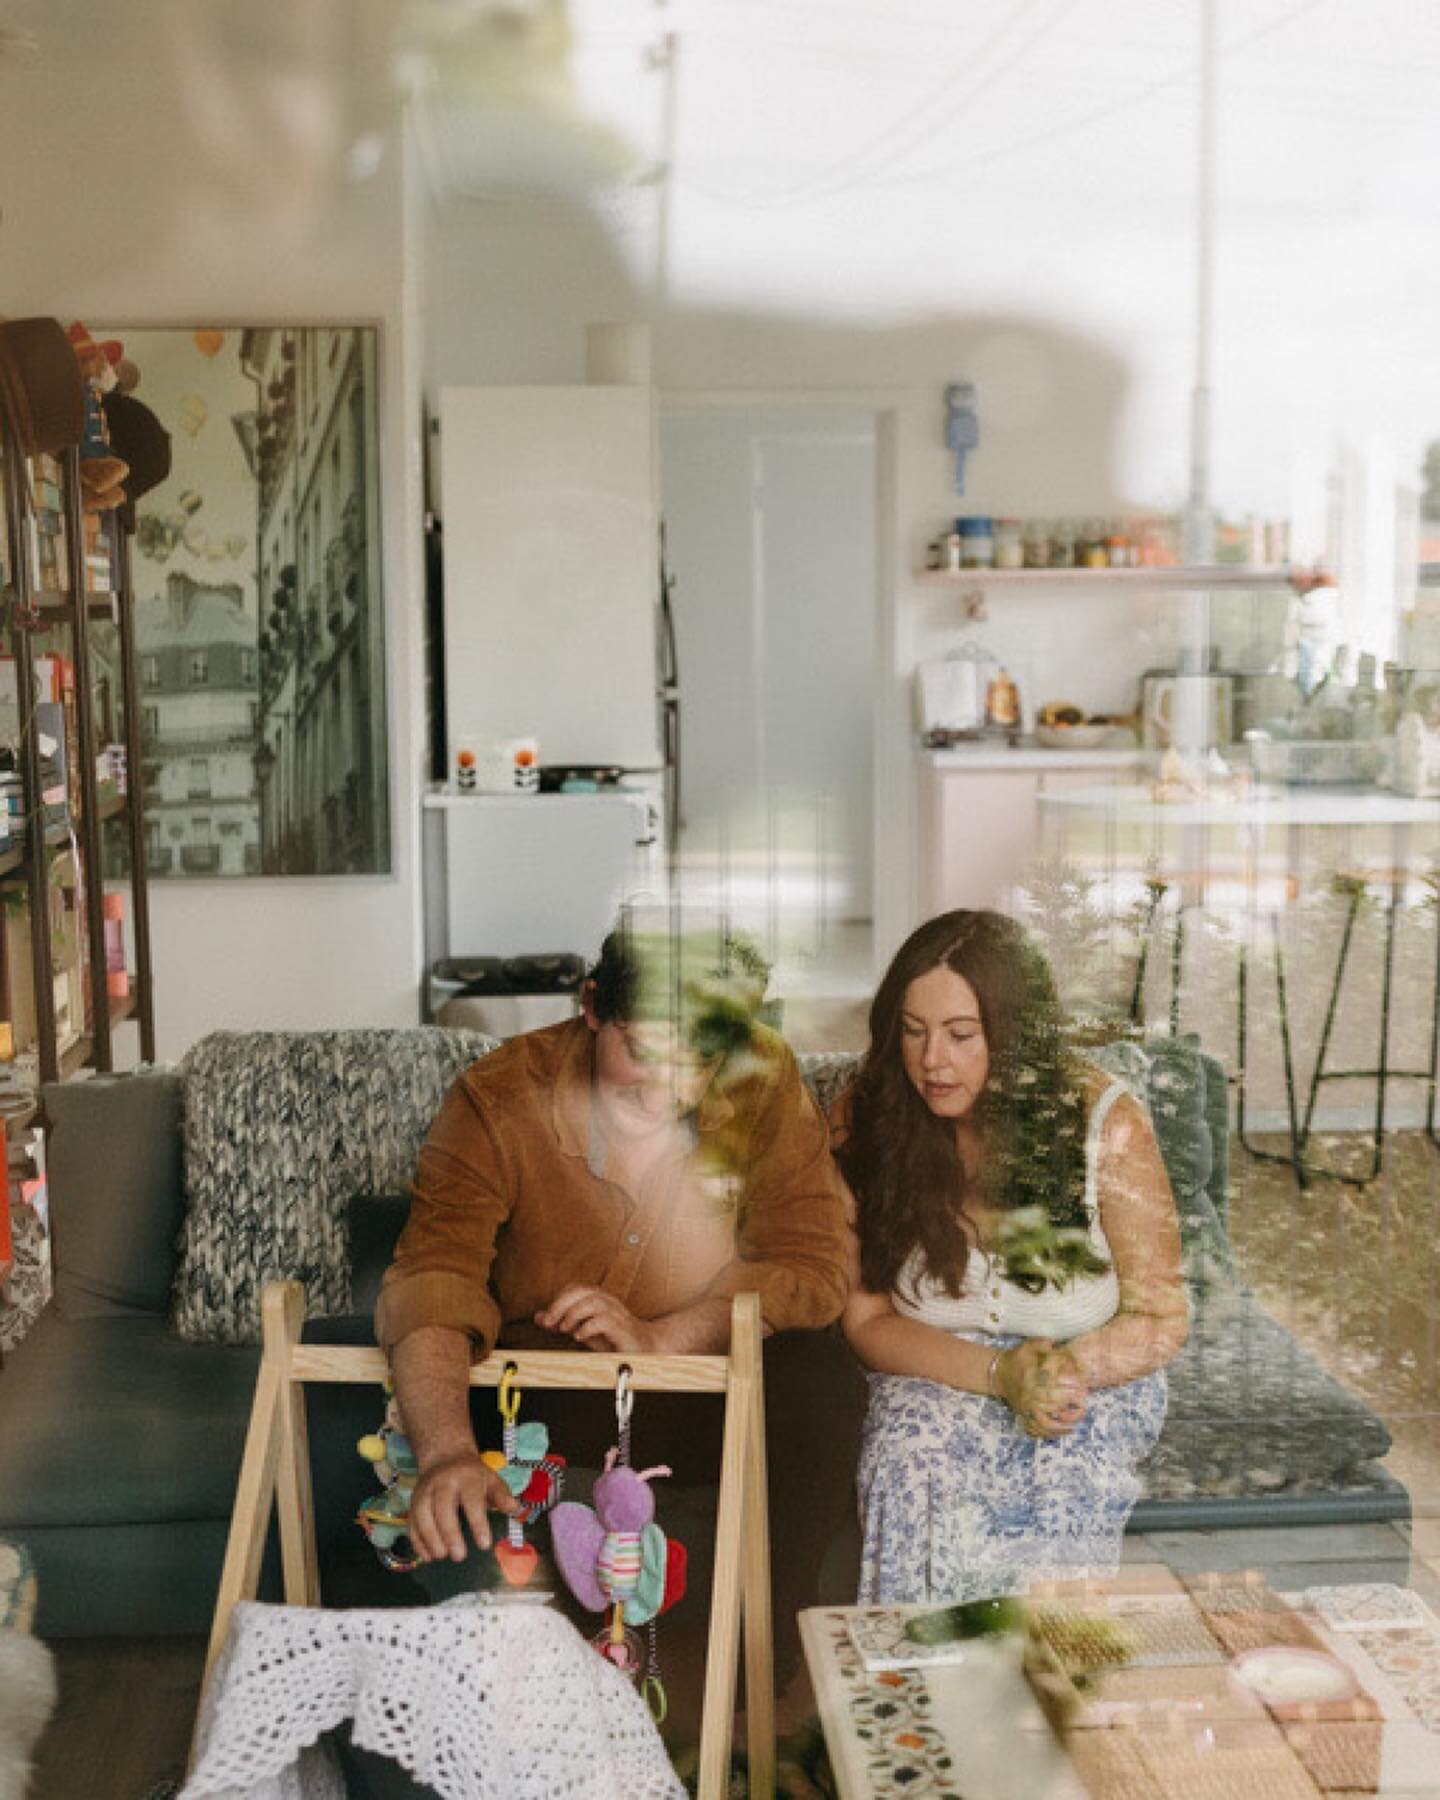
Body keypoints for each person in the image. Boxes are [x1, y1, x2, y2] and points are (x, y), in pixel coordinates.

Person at [375, 921, 862, 1686]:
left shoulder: (763, 1077)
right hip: (538, 1398)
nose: (667, 1086)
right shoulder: (499, 1094)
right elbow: (434, 1275)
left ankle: (749, 1682)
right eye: (644, 1047)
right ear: (592, 1006)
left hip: (695, 1386)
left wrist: (669, 1335)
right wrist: (446, 1455)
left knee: (822, 1379)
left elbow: (811, 1264)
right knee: (379, 1412)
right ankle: (506, 1684)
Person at [835, 910, 1188, 1604]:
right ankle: (920, 1693)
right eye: (913, 1030)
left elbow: (1160, 1314)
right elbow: (867, 1319)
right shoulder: (865, 1120)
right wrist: (999, 1374)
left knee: (1066, 1469)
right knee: (910, 1459)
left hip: (1087, 1368)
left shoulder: (1105, 1121)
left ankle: (1047, 1694)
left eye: (962, 1035)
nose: (932, 1060)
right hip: (932, 1367)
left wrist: (1059, 1372)